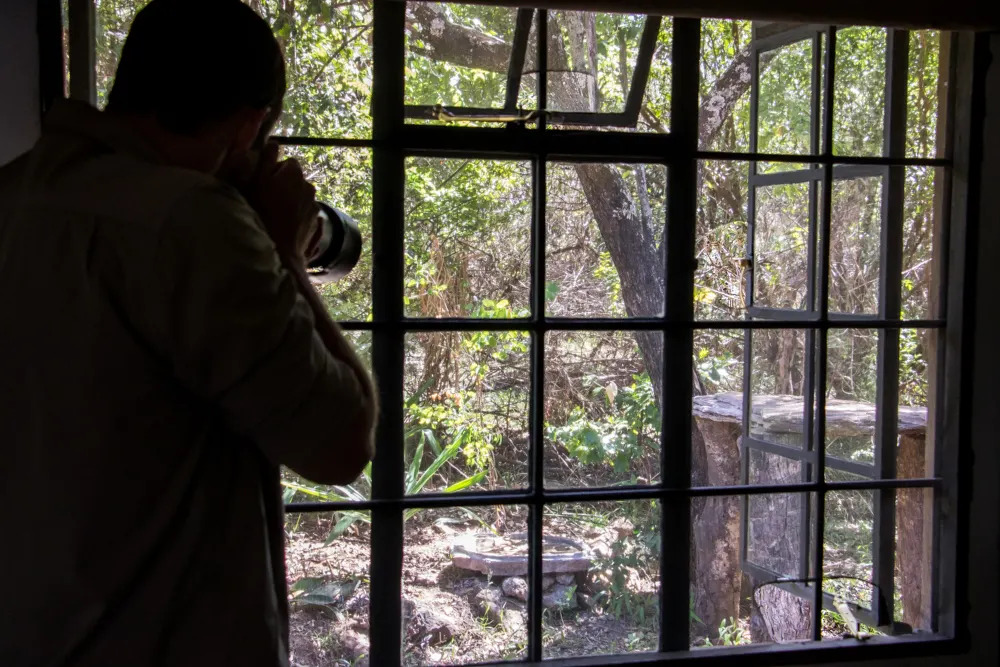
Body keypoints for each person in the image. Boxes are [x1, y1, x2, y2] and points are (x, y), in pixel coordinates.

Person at [0, 1, 376, 664]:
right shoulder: (190, 222)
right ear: (248, 126)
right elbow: (341, 442)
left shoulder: (14, 196)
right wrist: (286, 252)